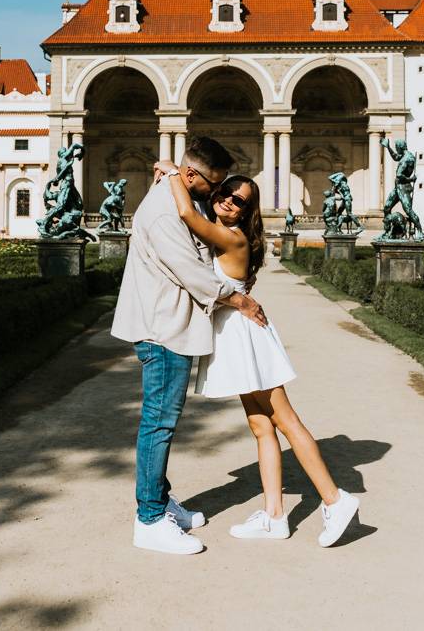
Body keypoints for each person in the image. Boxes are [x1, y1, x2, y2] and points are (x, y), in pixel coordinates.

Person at [152, 159, 361, 548]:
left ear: (248, 212)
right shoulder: (223, 232)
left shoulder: (231, 238)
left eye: (241, 202)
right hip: (236, 337)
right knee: (262, 426)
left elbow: (184, 211)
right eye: (227, 194)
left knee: (286, 420)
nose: (231, 202)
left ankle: (336, 500)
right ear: (218, 194)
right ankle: (274, 516)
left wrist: (173, 173)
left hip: (246, 337)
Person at [111, 136, 268, 555]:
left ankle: (160, 504)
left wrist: (168, 168)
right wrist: (240, 299)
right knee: (158, 424)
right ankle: (148, 520)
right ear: (193, 175)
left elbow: (184, 187)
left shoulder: (184, 189)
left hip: (172, 325)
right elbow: (190, 271)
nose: (217, 194)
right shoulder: (165, 212)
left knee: (162, 422)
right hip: (163, 330)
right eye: (213, 184)